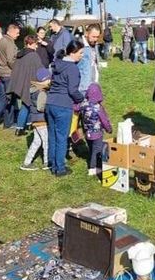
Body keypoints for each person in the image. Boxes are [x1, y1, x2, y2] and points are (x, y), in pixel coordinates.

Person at [46, 40, 85, 177]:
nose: (82, 56)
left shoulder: (57, 64)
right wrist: (82, 99)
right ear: (72, 53)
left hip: (50, 103)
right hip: (63, 105)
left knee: (52, 135)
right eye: (80, 53)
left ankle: (51, 162)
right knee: (62, 137)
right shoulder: (72, 68)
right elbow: (72, 90)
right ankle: (60, 168)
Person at [8, 35, 44, 136]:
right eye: (35, 44)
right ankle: (19, 128)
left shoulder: (20, 54)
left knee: (28, 104)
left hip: (22, 83)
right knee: (27, 105)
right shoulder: (33, 55)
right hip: (31, 84)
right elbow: (40, 70)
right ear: (30, 43)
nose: (36, 46)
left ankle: (28, 124)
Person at [0, 23, 20, 129]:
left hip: (0, 73)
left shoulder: (1, 41)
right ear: (11, 31)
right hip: (8, 73)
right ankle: (2, 122)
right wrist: (18, 69)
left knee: (4, 98)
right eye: (17, 32)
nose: (18, 35)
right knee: (8, 98)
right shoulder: (9, 43)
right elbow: (11, 60)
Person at [21, 68, 51, 171]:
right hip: (41, 120)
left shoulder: (34, 90)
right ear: (45, 80)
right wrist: (49, 110)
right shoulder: (41, 92)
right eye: (49, 79)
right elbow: (40, 107)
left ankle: (26, 162)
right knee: (46, 141)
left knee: (36, 141)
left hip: (34, 119)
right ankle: (47, 162)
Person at [81, 83, 112, 176]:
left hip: (87, 132)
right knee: (97, 150)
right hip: (97, 133)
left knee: (91, 149)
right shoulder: (98, 108)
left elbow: (75, 107)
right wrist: (109, 129)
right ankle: (93, 168)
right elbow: (104, 121)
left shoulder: (83, 105)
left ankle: (92, 162)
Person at [78, 24, 101, 92]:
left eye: (97, 37)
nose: (95, 39)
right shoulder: (78, 45)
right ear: (86, 34)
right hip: (82, 88)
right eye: (93, 36)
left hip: (94, 84)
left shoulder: (94, 44)